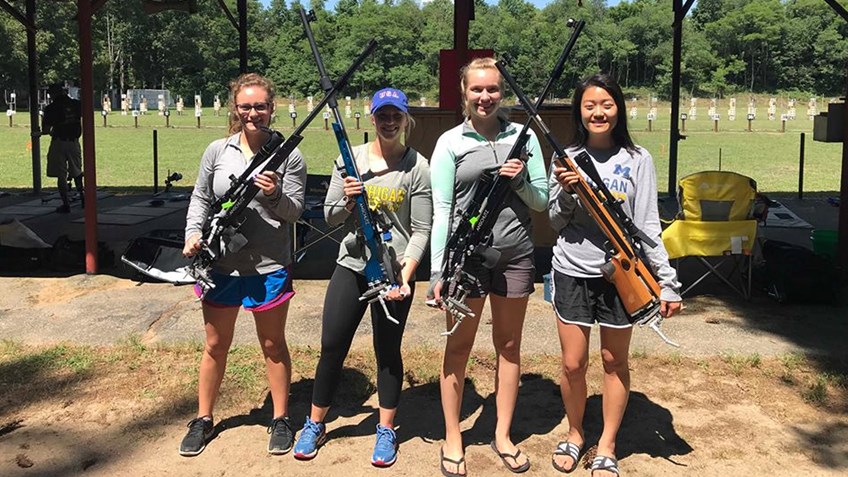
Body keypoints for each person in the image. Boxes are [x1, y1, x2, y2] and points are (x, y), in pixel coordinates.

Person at [547, 73, 682, 477]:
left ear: (618, 108)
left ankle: (607, 443)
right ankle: (575, 434)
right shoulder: (566, 157)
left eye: (605, 104)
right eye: (589, 105)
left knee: (612, 360)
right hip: (571, 269)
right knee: (572, 364)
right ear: (579, 111)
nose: (598, 112)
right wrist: (568, 192)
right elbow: (554, 221)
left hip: (622, 275)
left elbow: (647, 226)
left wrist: (667, 281)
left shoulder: (638, 159)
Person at [292, 87, 431, 468]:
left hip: (395, 271)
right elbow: (331, 216)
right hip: (351, 266)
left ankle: (386, 429)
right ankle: (315, 423)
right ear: (372, 118)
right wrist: (349, 198)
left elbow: (421, 228)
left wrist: (406, 274)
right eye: (382, 115)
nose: (389, 122)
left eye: (396, 115)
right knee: (332, 347)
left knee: (388, 352)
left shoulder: (418, 166)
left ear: (405, 119)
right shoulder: (349, 160)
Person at [429, 57, 548, 476]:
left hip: (515, 256)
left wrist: (518, 180)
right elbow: (442, 210)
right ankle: (453, 436)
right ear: (464, 93)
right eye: (477, 89)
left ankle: (501, 434)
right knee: (458, 347)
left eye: (493, 89)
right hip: (467, 261)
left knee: (509, 347)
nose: (485, 97)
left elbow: (542, 201)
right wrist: (438, 271)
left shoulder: (524, 137)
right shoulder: (450, 143)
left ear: (503, 93)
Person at [180, 73, 306, 457]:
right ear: (236, 108)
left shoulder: (290, 156)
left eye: (261, 106)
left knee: (272, 344)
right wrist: (192, 233)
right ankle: (203, 418)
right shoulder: (218, 150)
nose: (254, 113)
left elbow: (295, 212)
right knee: (216, 344)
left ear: (273, 108)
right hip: (221, 265)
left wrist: (273, 193)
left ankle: (281, 417)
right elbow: (201, 197)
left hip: (269, 265)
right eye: (246, 106)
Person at [42, 83, 83, 213]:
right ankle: (83, 198)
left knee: (61, 174)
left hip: (58, 142)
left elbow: (46, 129)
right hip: (74, 141)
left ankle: (66, 204)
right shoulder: (77, 104)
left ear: (52, 94)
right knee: (77, 171)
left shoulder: (51, 108)